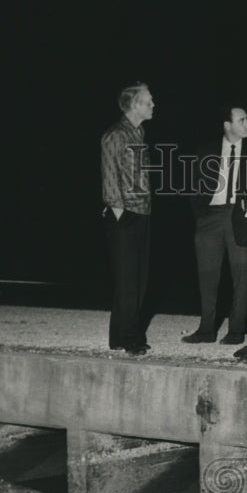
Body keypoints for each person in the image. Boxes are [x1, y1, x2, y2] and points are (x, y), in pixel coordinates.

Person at [182, 106, 247, 346]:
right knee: (207, 275)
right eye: (242, 120)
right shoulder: (205, 151)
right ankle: (206, 329)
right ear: (228, 125)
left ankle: (236, 330)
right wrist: (200, 215)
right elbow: (192, 186)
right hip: (210, 217)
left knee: (242, 276)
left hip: (241, 216)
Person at [101, 82, 155, 356]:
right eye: (148, 102)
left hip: (141, 211)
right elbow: (110, 175)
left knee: (138, 279)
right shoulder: (116, 135)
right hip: (124, 215)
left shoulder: (138, 132)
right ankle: (129, 337)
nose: (153, 105)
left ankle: (121, 336)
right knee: (127, 280)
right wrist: (118, 209)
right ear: (135, 105)